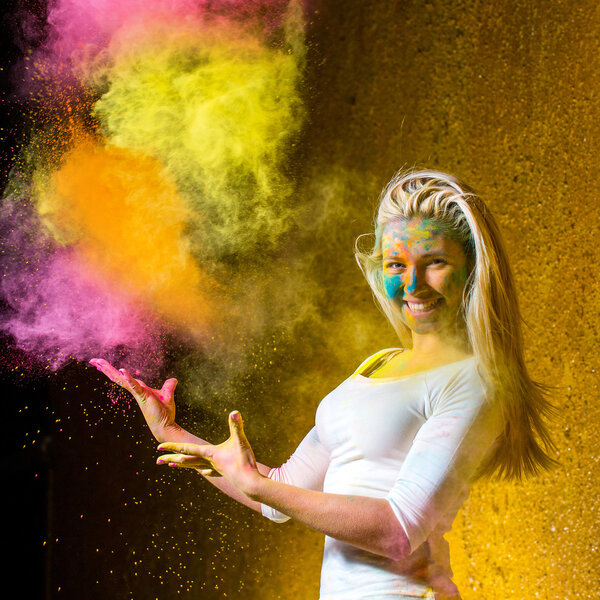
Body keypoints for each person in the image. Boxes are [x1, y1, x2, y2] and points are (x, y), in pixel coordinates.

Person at [91, 169, 555, 599]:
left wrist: (258, 487)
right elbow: (282, 492)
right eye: (396, 265)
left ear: (470, 269)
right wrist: (170, 433)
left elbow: (397, 531)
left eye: (434, 262)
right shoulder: (378, 364)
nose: (413, 284)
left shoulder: (475, 380)